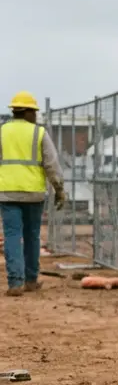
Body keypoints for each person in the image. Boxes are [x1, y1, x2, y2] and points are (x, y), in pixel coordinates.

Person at [0, 92, 65, 296]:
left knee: (12, 235)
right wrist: (59, 189)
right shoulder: (39, 133)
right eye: (34, 112)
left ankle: (14, 283)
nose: (36, 115)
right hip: (34, 193)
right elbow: (51, 164)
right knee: (32, 236)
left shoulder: (2, 132)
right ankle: (30, 280)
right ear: (27, 112)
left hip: (7, 193)